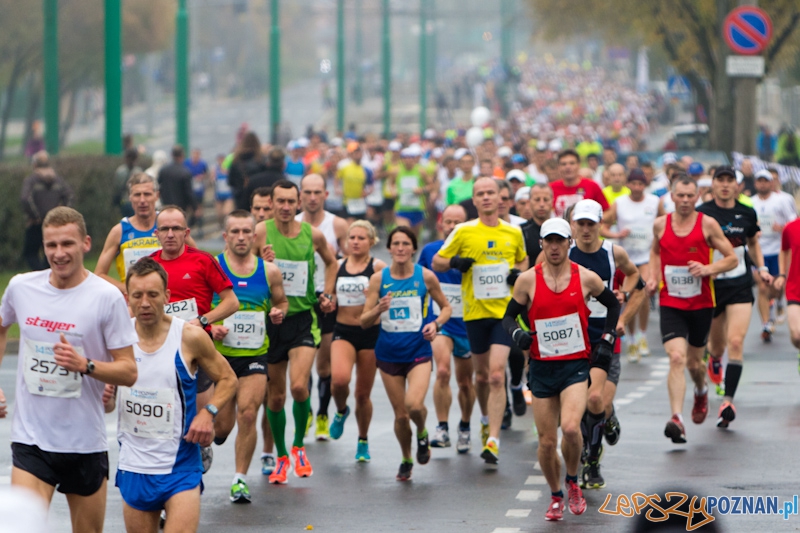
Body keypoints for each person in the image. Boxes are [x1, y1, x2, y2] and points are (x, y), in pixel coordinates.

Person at [0, 206, 138, 532]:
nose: (59, 254)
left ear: (86, 243)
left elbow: (129, 371)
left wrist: (86, 366)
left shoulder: (107, 298)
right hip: (32, 441)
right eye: (51, 246)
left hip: (84, 443)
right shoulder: (21, 288)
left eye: (67, 244)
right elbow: (2, 325)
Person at [501, 217, 619, 521]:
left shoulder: (587, 277)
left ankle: (572, 481)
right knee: (547, 441)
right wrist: (518, 335)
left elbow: (614, 305)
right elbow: (508, 318)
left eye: (560, 241)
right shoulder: (527, 279)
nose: (554, 247)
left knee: (569, 428)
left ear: (569, 243)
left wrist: (607, 339)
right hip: (541, 367)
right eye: (549, 241)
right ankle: (555, 495)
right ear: (542, 244)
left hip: (575, 365)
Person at [117, 258, 237, 531]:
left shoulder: (189, 336)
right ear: (128, 298)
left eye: (153, 295)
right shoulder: (117, 337)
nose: (145, 303)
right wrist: (106, 394)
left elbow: (228, 378)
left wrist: (209, 412)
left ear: (167, 296)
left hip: (181, 465)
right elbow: (106, 398)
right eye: (137, 295)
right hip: (134, 465)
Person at [433, 177, 528, 465]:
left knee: (497, 375)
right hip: (474, 314)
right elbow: (437, 261)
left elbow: (523, 260)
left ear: (500, 198)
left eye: (491, 193)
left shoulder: (513, 232)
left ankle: (493, 439)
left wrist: (516, 273)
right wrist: (454, 263)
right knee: (482, 376)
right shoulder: (463, 231)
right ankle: (485, 418)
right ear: (474, 201)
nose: (486, 198)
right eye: (480, 194)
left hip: (503, 314)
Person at [253, 180, 338, 484]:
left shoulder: (312, 234)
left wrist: (327, 294)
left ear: (299, 202)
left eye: (291, 201)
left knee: (299, 387)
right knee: (275, 399)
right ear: (272, 203)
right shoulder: (261, 231)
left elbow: (331, 263)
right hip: (273, 320)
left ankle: (299, 445)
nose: (286, 207)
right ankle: (281, 456)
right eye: (281, 202)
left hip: (303, 318)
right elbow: (243, 267)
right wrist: (261, 264)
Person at [646, 176, 738, 444]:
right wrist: (653, 277)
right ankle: (677, 418)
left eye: (690, 196)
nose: (685, 201)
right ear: (671, 197)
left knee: (694, 364)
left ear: (697, 197)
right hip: (670, 302)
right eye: (680, 196)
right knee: (676, 357)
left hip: (700, 304)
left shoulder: (707, 224)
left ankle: (701, 389)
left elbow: (732, 258)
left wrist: (708, 269)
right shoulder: (660, 225)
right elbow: (655, 252)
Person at [151, 205, 240, 471]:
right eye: (164, 229)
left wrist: (202, 321)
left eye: (176, 229)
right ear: (156, 233)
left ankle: (207, 441)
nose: (170, 234)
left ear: (186, 232)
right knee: (172, 421)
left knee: (218, 427)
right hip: (162, 352)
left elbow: (231, 302)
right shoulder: (149, 265)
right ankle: (178, 475)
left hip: (198, 351)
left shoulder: (202, 261)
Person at [208, 211, 288, 503]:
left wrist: (279, 313)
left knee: (250, 412)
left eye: (246, 232)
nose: (241, 237)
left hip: (255, 354)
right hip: (220, 359)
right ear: (225, 236)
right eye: (235, 232)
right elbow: (201, 307)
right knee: (222, 428)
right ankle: (211, 441)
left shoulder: (268, 271)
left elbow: (281, 301)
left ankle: (240, 479)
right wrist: (211, 326)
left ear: (254, 236)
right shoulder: (213, 267)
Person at [562, 200, 642, 490]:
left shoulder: (613, 252)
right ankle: (604, 422)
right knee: (582, 403)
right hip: (572, 338)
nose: (585, 230)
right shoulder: (562, 254)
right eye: (580, 224)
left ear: (599, 225)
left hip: (605, 335)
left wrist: (623, 294)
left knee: (596, 400)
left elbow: (636, 278)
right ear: (572, 225)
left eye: (590, 224)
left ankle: (592, 460)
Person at [361, 226, 451, 481]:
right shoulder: (379, 279)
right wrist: (378, 308)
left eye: (405, 244)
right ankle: (406, 457)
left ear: (413, 248)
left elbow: (445, 308)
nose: (400, 248)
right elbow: (363, 321)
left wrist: (436, 324)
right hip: (388, 353)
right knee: (401, 416)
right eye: (396, 244)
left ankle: (422, 432)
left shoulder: (426, 276)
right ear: (389, 248)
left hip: (418, 351)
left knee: (413, 405)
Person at [697, 166, 772, 427]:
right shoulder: (702, 213)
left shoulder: (747, 212)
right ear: (714, 184)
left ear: (737, 185)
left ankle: (728, 401)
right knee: (717, 346)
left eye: (731, 180)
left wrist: (761, 268)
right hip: (713, 284)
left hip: (740, 283)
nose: (726, 185)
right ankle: (714, 360)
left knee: (736, 341)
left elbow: (753, 243)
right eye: (721, 180)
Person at [295, 174, 349, 440]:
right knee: (302, 364)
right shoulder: (290, 224)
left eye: (318, 192)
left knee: (324, 366)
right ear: (300, 195)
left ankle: (323, 415)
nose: (313, 197)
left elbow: (353, 263)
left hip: (326, 299)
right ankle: (304, 414)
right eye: (308, 192)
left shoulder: (337, 225)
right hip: (298, 299)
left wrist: (333, 291)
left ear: (326, 195)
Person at [418, 205, 475, 452]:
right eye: (448, 221)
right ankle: (442, 427)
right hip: (440, 321)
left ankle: (464, 425)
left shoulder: (474, 249)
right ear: (440, 224)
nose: (452, 226)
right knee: (442, 371)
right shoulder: (431, 251)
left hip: (469, 322)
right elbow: (417, 280)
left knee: (465, 381)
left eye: (458, 222)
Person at [329, 221, 386, 461]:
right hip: (343, 330)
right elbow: (329, 295)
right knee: (340, 380)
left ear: (371, 242)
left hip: (371, 334)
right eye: (352, 237)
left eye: (361, 238)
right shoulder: (337, 265)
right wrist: (327, 302)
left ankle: (363, 440)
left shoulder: (378, 267)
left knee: (363, 394)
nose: (355, 242)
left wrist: (376, 296)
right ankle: (341, 410)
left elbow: (391, 295)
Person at [602, 168, 664, 361]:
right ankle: (630, 339)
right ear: (628, 184)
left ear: (645, 185)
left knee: (643, 294)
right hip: (626, 258)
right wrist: (616, 235)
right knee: (627, 298)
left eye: (640, 184)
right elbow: (602, 226)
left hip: (646, 256)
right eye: (634, 183)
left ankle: (642, 336)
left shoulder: (654, 202)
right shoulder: (619, 203)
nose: (637, 187)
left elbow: (666, 223)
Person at [751, 169, 796, 342]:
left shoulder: (781, 200)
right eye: (759, 181)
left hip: (778, 250)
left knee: (777, 287)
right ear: (755, 183)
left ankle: (776, 302)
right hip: (759, 251)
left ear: (772, 183)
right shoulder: (751, 203)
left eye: (766, 181)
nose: (762, 184)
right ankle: (766, 323)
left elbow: (792, 223)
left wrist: (782, 228)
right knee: (762, 287)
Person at [20, 150, 73, 271]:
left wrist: (36, 216)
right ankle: (47, 274)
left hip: (35, 223)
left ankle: (40, 275)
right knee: (50, 252)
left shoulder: (32, 180)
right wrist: (62, 215)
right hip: (54, 223)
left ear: (34, 165)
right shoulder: (58, 180)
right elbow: (70, 196)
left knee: (30, 253)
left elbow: (25, 198)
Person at [550, 149, 609, 218]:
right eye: (563, 164)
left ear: (579, 165)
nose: (568, 167)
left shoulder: (592, 186)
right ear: (558, 167)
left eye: (572, 163)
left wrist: (593, 224)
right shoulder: (550, 188)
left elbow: (607, 211)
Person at [392, 146, 433, 239]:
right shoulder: (396, 171)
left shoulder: (421, 171)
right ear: (401, 159)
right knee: (404, 234)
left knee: (414, 239)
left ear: (414, 159)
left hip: (417, 208)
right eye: (405, 158)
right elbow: (391, 184)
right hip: (402, 208)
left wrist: (422, 190)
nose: (407, 160)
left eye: (410, 158)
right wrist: (393, 191)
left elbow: (431, 185)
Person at [776, 216, 800, 373]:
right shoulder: (791, 228)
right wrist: (782, 274)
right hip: (795, 288)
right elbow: (784, 251)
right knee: (797, 335)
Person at [337, 143, 374, 222]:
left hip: (361, 202)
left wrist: (367, 193)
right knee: (349, 224)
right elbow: (336, 178)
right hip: (348, 201)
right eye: (355, 153)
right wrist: (337, 189)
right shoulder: (345, 167)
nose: (358, 155)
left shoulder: (366, 169)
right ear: (352, 154)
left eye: (359, 152)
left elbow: (371, 185)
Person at [157, 145, 196, 217]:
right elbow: (189, 192)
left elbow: (159, 186)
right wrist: (194, 208)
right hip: (181, 208)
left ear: (172, 155)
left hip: (166, 206)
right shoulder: (185, 172)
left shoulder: (163, 170)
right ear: (182, 155)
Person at [520, 183, 554, 263]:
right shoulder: (521, 231)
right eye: (537, 200)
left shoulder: (561, 230)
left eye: (546, 200)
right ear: (529, 202)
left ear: (552, 201)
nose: (542, 204)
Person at [184, 149, 210, 235]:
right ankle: (187, 227)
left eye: (197, 156)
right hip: (189, 191)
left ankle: (200, 228)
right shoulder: (186, 163)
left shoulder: (202, 164)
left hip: (199, 191)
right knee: (189, 209)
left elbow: (207, 174)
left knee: (199, 209)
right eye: (194, 155)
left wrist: (202, 177)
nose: (195, 157)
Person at [113, 148, 141, 218]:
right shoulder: (139, 172)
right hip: (136, 201)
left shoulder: (120, 171)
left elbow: (117, 187)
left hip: (124, 201)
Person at [214, 153, 234, 229]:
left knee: (226, 212)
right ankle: (221, 226)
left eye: (222, 160)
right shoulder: (215, 170)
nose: (221, 162)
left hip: (228, 195)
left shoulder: (230, 169)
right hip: (219, 195)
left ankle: (228, 227)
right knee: (219, 214)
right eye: (219, 160)